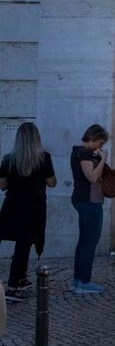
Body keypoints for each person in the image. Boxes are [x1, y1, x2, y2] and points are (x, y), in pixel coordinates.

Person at [0, 123, 56, 302]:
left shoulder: (8, 159)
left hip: (12, 205)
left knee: (17, 243)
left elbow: (3, 186)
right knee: (23, 246)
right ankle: (12, 287)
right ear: (36, 138)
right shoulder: (43, 158)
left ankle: (21, 280)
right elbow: (52, 182)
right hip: (33, 207)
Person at [70, 124, 109, 294]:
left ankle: (78, 279)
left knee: (84, 241)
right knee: (90, 242)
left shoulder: (79, 152)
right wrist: (103, 159)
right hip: (89, 201)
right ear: (93, 138)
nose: (101, 147)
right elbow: (92, 177)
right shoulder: (84, 153)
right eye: (100, 143)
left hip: (83, 200)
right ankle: (84, 281)